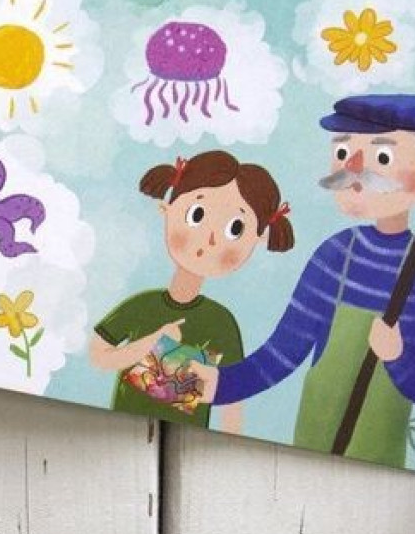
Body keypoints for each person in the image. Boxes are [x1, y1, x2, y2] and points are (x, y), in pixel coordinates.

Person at [192, 94, 415, 465]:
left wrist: (398, 358)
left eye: (383, 157)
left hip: (378, 462)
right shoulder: (335, 256)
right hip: (310, 446)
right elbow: (284, 351)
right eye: (343, 152)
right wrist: (219, 385)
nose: (354, 171)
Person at [89, 150, 294, 433]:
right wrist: (150, 343)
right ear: (167, 209)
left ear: (256, 239)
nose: (210, 239)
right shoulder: (141, 306)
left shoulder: (221, 323)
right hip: (118, 432)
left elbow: (233, 402)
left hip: (189, 441)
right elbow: (99, 356)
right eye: (197, 214)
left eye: (235, 228)